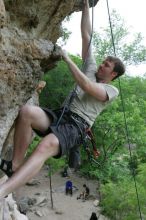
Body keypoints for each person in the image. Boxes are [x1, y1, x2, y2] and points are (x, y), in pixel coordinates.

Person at [0, 0, 125, 199]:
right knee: (27, 113)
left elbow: (87, 87)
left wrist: (67, 59)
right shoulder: (91, 68)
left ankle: (3, 191)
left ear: (114, 74)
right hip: (62, 114)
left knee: (45, 146)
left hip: (77, 126)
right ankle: (14, 165)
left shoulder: (110, 90)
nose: (102, 65)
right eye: (103, 62)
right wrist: (85, 6)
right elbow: (87, 36)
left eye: (107, 65)